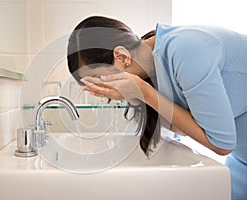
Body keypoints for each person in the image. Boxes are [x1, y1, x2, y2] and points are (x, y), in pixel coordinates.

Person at [67, 16, 247, 200]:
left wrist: (144, 92)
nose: (100, 88)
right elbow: (186, 128)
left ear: (121, 57)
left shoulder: (185, 50)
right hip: (241, 164)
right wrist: (137, 95)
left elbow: (221, 144)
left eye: (97, 77)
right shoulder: (155, 71)